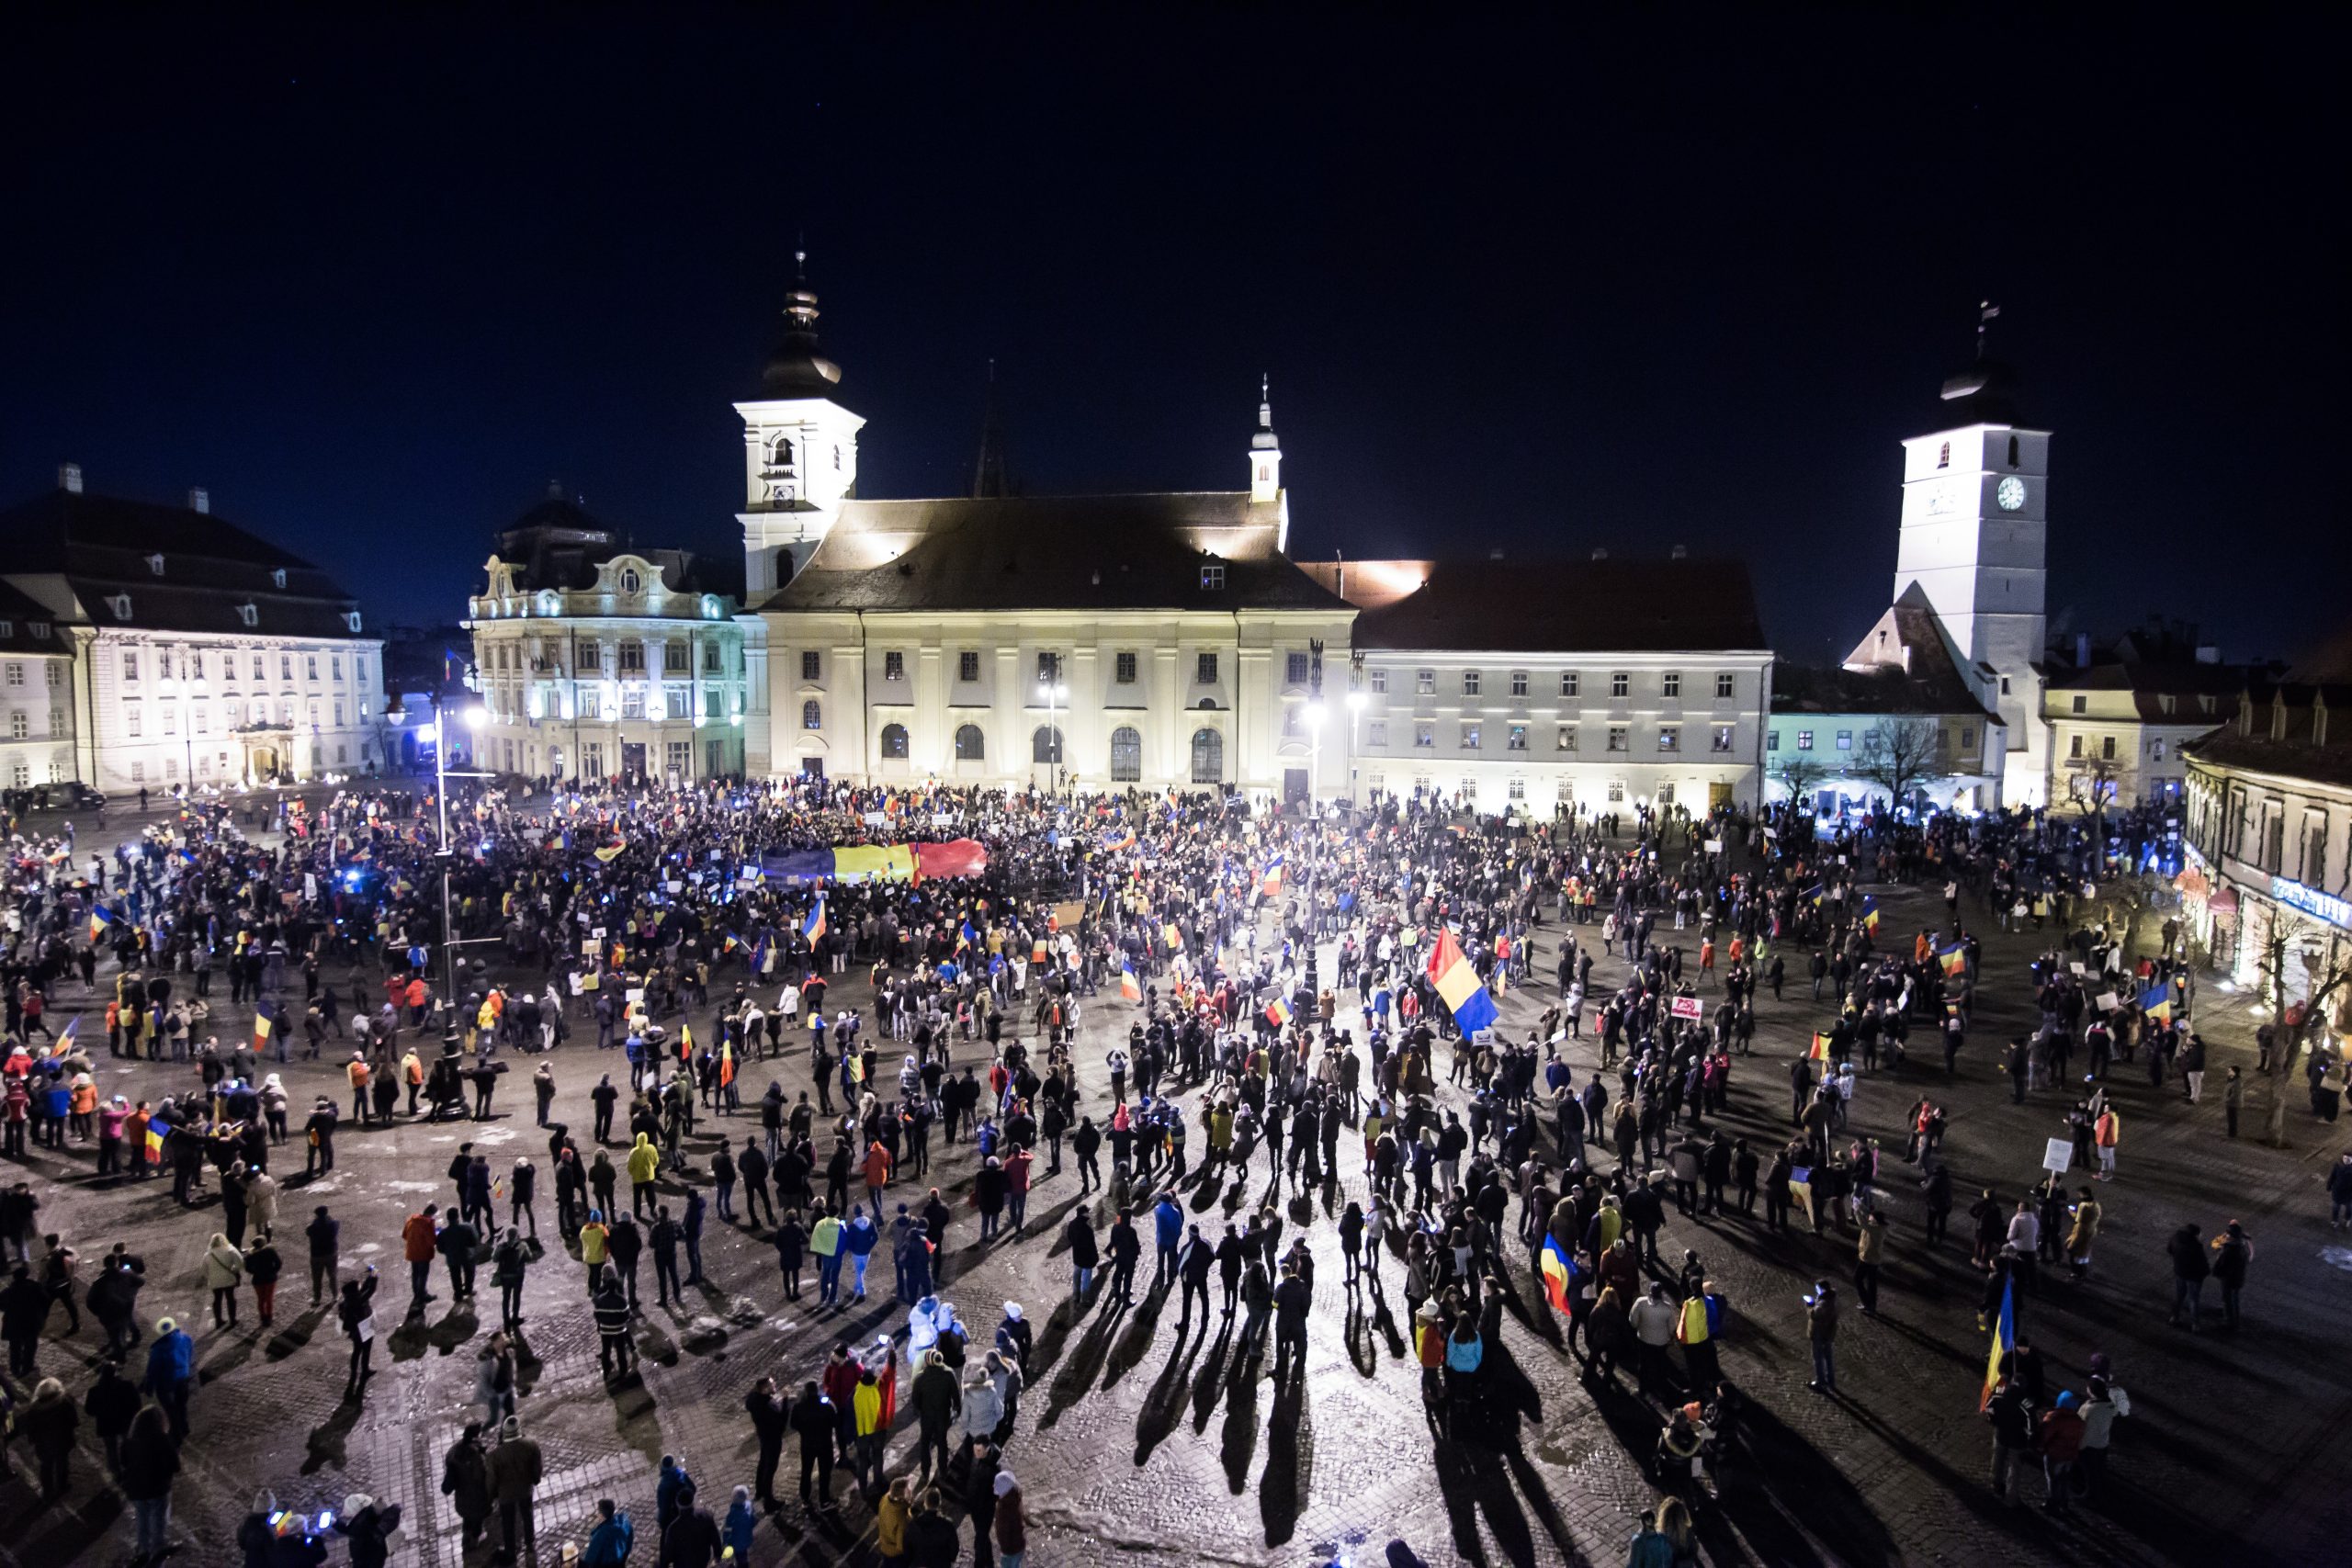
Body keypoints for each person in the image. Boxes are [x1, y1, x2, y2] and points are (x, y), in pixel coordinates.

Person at [121, 1403, 181, 1565]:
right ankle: (158, 1547)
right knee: (158, 1518)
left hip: (136, 1488)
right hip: (157, 1487)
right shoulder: (161, 1438)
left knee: (142, 1517)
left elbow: (124, 1461)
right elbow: (175, 1465)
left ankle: (143, 1549)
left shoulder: (129, 1440)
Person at [487, 1413, 543, 1567]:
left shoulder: (494, 1455)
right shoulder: (531, 1445)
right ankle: (530, 1544)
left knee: (508, 1522)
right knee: (527, 1515)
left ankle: (510, 1551)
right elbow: (537, 1467)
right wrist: (535, 1479)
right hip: (525, 1489)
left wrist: (492, 1496)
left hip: (506, 1494)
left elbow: (492, 1479)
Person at [18, 1376, 77, 1499]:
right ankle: (62, 1486)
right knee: (62, 1463)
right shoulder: (64, 1402)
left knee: (46, 1466)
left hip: (43, 1445)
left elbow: (30, 1429)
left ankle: (47, 1491)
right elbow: (73, 1420)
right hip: (62, 1441)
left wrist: (34, 1440)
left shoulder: (34, 1409)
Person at [442, 1422, 494, 1551]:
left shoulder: (455, 1450)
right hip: (477, 1495)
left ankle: (466, 1535)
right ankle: (475, 1539)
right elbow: (481, 1475)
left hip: (462, 1495)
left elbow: (448, 1461)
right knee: (477, 1518)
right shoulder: (476, 1455)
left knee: (467, 1516)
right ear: (477, 1435)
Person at [2211, 1220, 2255, 1329]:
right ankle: (2236, 1320)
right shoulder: (2243, 1247)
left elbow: (2214, 1244)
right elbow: (2250, 1256)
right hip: (2239, 1278)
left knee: (2227, 1300)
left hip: (2228, 1279)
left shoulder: (2228, 1250)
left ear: (2230, 1236)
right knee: (2235, 1299)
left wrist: (2224, 1235)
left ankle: (2228, 1322)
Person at [1804, 1280, 1838, 1394]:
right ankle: (1831, 1382)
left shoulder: (1824, 1303)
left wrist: (1810, 1304)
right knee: (1828, 1358)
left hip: (1820, 1333)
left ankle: (1820, 1382)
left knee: (1818, 1359)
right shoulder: (1832, 1298)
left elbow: (1814, 1315)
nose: (1816, 1290)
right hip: (1828, 1333)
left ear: (1822, 1289)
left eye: (1817, 1288)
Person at [579, 1500, 634, 1568]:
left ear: (601, 1515)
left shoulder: (601, 1534)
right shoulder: (624, 1522)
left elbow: (590, 1559)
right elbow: (629, 1541)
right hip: (620, 1561)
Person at [993, 1467, 1028, 1568]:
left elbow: (1004, 1532)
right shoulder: (1015, 1499)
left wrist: (1004, 1549)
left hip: (1011, 1549)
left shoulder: (1005, 1511)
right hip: (1018, 1545)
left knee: (1008, 1565)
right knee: (1015, 1564)